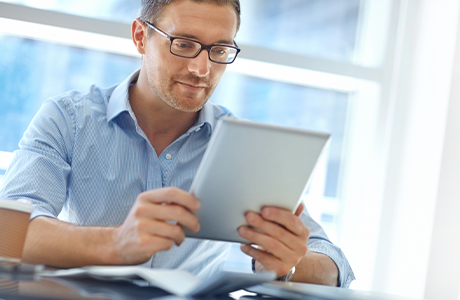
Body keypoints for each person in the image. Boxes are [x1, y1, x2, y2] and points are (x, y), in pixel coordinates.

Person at [0, 0, 355, 288]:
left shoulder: (243, 148)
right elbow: (7, 232)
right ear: (141, 36)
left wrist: (289, 265)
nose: (202, 68)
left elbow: (336, 266)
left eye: (219, 50)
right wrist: (114, 243)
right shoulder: (68, 119)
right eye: (183, 44)